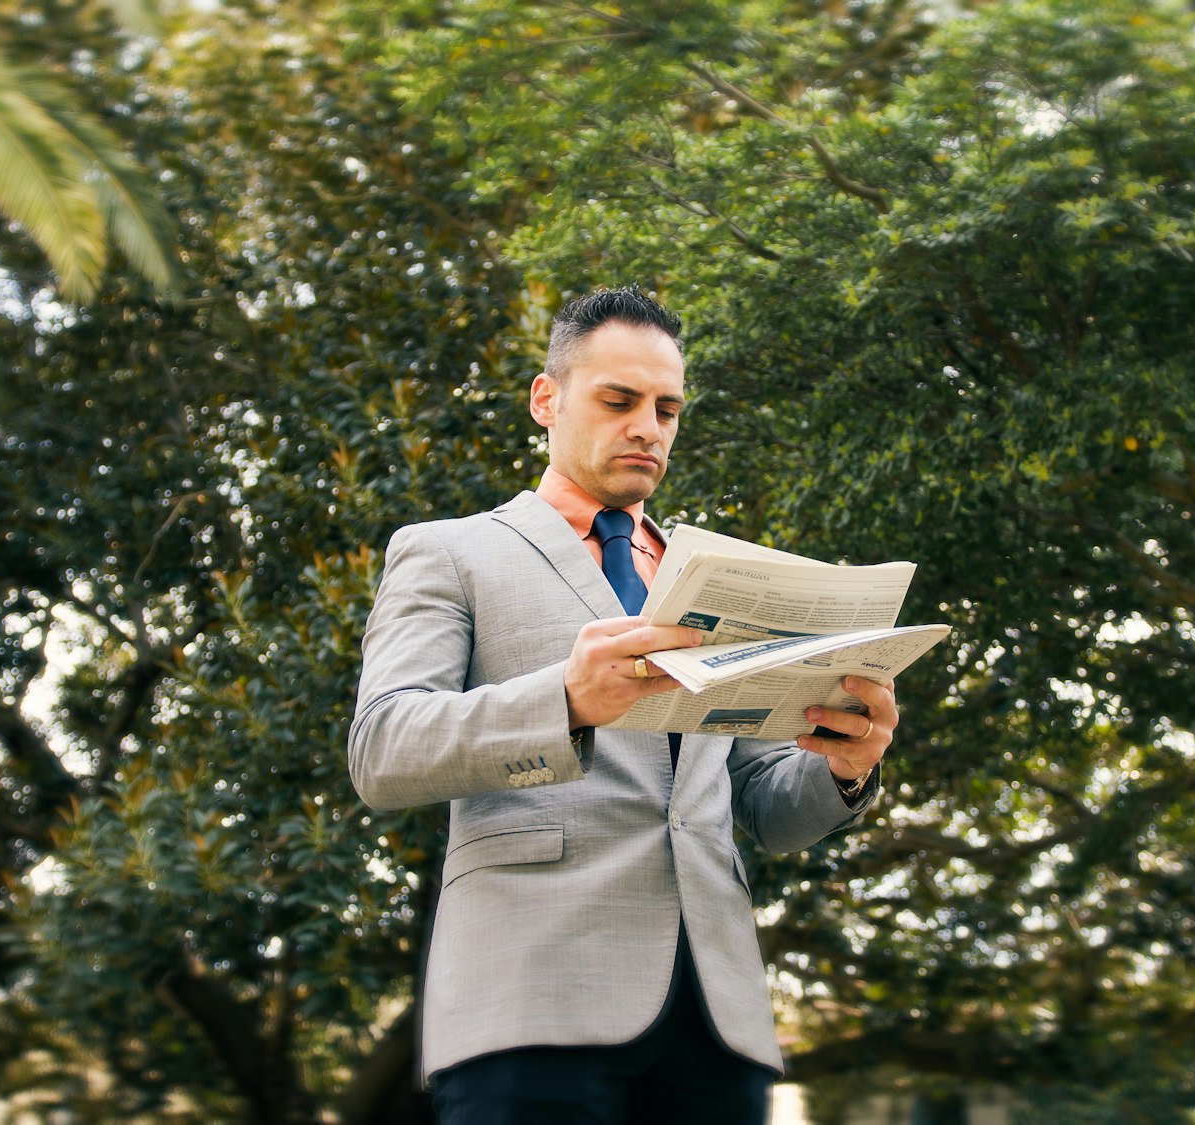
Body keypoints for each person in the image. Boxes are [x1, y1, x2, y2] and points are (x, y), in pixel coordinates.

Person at [348, 286, 899, 1124]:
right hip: (532, 999)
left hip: (716, 1017)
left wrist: (847, 768)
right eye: (619, 400)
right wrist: (567, 700)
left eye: (667, 408)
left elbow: (765, 808)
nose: (648, 426)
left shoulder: (720, 577)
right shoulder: (449, 552)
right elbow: (383, 750)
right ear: (546, 398)